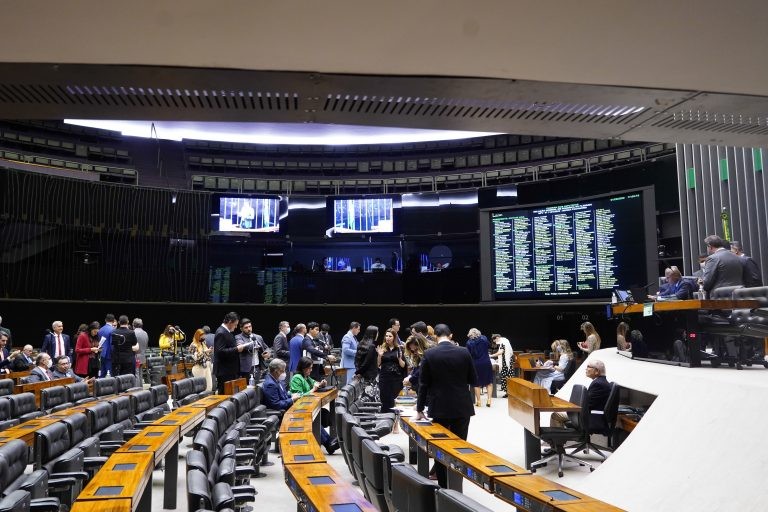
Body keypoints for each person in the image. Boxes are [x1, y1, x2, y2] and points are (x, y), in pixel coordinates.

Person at [414, 324, 477, 488]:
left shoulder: (429, 354)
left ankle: (443, 487)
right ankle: (457, 486)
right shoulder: (464, 352)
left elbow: (423, 384)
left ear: (435, 336)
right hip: (462, 406)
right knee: (460, 446)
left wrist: (419, 408)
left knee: (440, 447)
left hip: (439, 407)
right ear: (451, 335)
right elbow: (473, 380)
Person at [289, 356, 339, 454]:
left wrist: (321, 384)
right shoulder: (297, 378)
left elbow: (315, 383)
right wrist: (313, 390)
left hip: (307, 406)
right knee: (313, 418)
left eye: (311, 368)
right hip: (297, 408)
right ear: (303, 368)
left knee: (321, 414)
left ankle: (329, 441)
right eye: (309, 368)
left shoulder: (306, 377)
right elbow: (297, 397)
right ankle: (328, 443)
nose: (311, 370)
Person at [550, 359, 611, 430]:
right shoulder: (600, 382)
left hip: (589, 416)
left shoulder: (598, 384)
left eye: (588, 367)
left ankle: (558, 437)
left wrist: (572, 407)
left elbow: (588, 404)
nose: (586, 369)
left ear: (597, 371)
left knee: (555, 415)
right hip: (589, 413)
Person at [377, 328, 406, 418]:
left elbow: (403, 365)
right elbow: (378, 364)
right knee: (385, 400)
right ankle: (384, 420)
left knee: (393, 401)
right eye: (386, 336)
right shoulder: (382, 348)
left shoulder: (399, 349)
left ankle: (394, 419)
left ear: (394, 337)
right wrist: (379, 356)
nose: (388, 338)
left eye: (390, 336)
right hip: (384, 378)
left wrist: (399, 358)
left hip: (396, 379)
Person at [214, 312, 244, 394]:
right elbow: (220, 352)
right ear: (230, 322)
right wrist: (236, 349)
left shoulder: (226, 332)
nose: (236, 327)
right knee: (224, 396)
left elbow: (227, 347)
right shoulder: (221, 332)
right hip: (225, 372)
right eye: (235, 324)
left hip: (229, 371)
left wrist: (236, 346)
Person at [466, 328, 494, 407]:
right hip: (486, 362)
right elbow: (489, 346)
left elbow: (468, 354)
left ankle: (479, 402)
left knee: (477, 383)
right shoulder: (484, 338)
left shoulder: (469, 342)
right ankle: (489, 400)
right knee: (489, 382)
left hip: (476, 364)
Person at [354, 325, 381, 402]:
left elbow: (356, 360)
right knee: (369, 398)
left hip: (363, 376)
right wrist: (359, 372)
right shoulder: (371, 346)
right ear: (373, 334)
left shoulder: (361, 343)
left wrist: (358, 372)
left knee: (362, 397)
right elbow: (367, 363)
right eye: (377, 332)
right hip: (370, 377)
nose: (378, 334)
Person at [190, 328, 213, 392]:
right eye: (202, 336)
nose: (204, 337)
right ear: (198, 336)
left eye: (204, 335)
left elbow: (206, 355)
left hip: (206, 366)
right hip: (199, 368)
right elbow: (196, 358)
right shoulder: (193, 345)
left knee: (209, 387)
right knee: (202, 389)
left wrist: (209, 351)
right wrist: (205, 352)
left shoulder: (203, 343)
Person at [490, 334, 513, 398]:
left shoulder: (503, 342)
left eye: (495, 340)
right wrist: (499, 359)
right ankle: (508, 393)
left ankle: (509, 393)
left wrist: (491, 355)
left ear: (497, 338)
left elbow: (501, 352)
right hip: (506, 361)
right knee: (506, 377)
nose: (495, 342)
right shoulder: (505, 341)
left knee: (506, 377)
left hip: (506, 363)